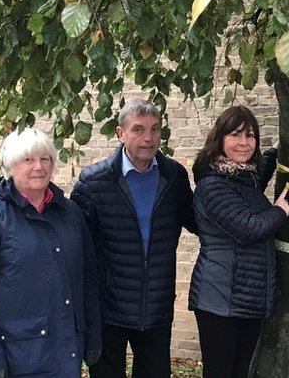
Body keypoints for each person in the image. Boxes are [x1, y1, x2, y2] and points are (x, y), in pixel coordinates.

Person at [0, 127, 101, 378]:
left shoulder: (69, 213)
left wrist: (92, 335)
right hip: (17, 357)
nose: (39, 167)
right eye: (28, 160)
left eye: (45, 159)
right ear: (11, 166)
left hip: (66, 350)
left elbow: (87, 278)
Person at [71, 99, 196, 378]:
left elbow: (202, 220)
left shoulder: (174, 176)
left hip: (156, 307)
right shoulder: (94, 183)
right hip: (108, 309)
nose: (149, 138)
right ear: (120, 133)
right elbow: (76, 248)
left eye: (155, 129)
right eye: (138, 129)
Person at [188, 105, 289, 378]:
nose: (244, 142)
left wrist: (283, 147)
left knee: (239, 372)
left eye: (250, 135)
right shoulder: (213, 185)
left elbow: (261, 171)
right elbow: (248, 228)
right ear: (220, 139)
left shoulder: (242, 177)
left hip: (247, 298)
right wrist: (280, 211)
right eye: (236, 135)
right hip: (219, 300)